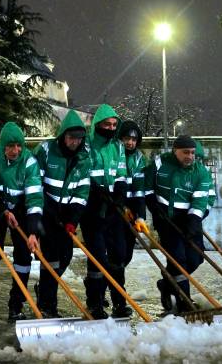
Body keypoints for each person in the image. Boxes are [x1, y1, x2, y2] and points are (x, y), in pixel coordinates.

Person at [0, 122, 44, 320]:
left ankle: (16, 305)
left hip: (21, 209)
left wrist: (32, 231)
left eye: (19, 145)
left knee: (23, 256)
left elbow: (34, 197)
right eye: (11, 146)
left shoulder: (29, 161)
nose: (15, 150)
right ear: (2, 145)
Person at [32, 110, 91, 318]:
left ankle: (44, 290)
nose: (74, 142)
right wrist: (48, 208)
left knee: (65, 257)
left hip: (66, 215)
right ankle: (48, 305)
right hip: (46, 212)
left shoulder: (84, 158)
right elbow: (35, 181)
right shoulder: (46, 150)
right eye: (71, 137)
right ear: (63, 135)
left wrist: (72, 218)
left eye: (78, 138)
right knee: (51, 259)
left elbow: (83, 190)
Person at [143, 135, 210, 313]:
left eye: (192, 153)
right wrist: (153, 207)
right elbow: (147, 184)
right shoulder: (160, 163)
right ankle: (184, 301)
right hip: (166, 219)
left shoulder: (201, 172)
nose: (190, 156)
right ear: (175, 151)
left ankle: (166, 283)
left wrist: (194, 222)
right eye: (185, 152)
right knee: (178, 259)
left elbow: (200, 202)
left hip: (189, 219)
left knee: (196, 258)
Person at [81, 104, 130, 319]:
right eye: (106, 124)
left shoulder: (118, 147)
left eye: (113, 125)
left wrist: (120, 192)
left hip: (112, 208)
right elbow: (83, 171)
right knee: (98, 257)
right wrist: (95, 190)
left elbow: (121, 172)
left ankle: (120, 301)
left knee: (118, 255)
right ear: (98, 125)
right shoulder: (87, 145)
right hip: (92, 208)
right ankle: (95, 302)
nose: (110, 128)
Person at [118, 120, 146, 277]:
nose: (130, 142)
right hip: (114, 209)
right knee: (118, 253)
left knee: (127, 255)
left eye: (134, 140)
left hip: (131, 212)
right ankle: (110, 292)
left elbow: (139, 191)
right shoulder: (115, 154)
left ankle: (109, 283)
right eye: (127, 138)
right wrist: (122, 207)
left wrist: (140, 216)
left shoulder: (139, 158)